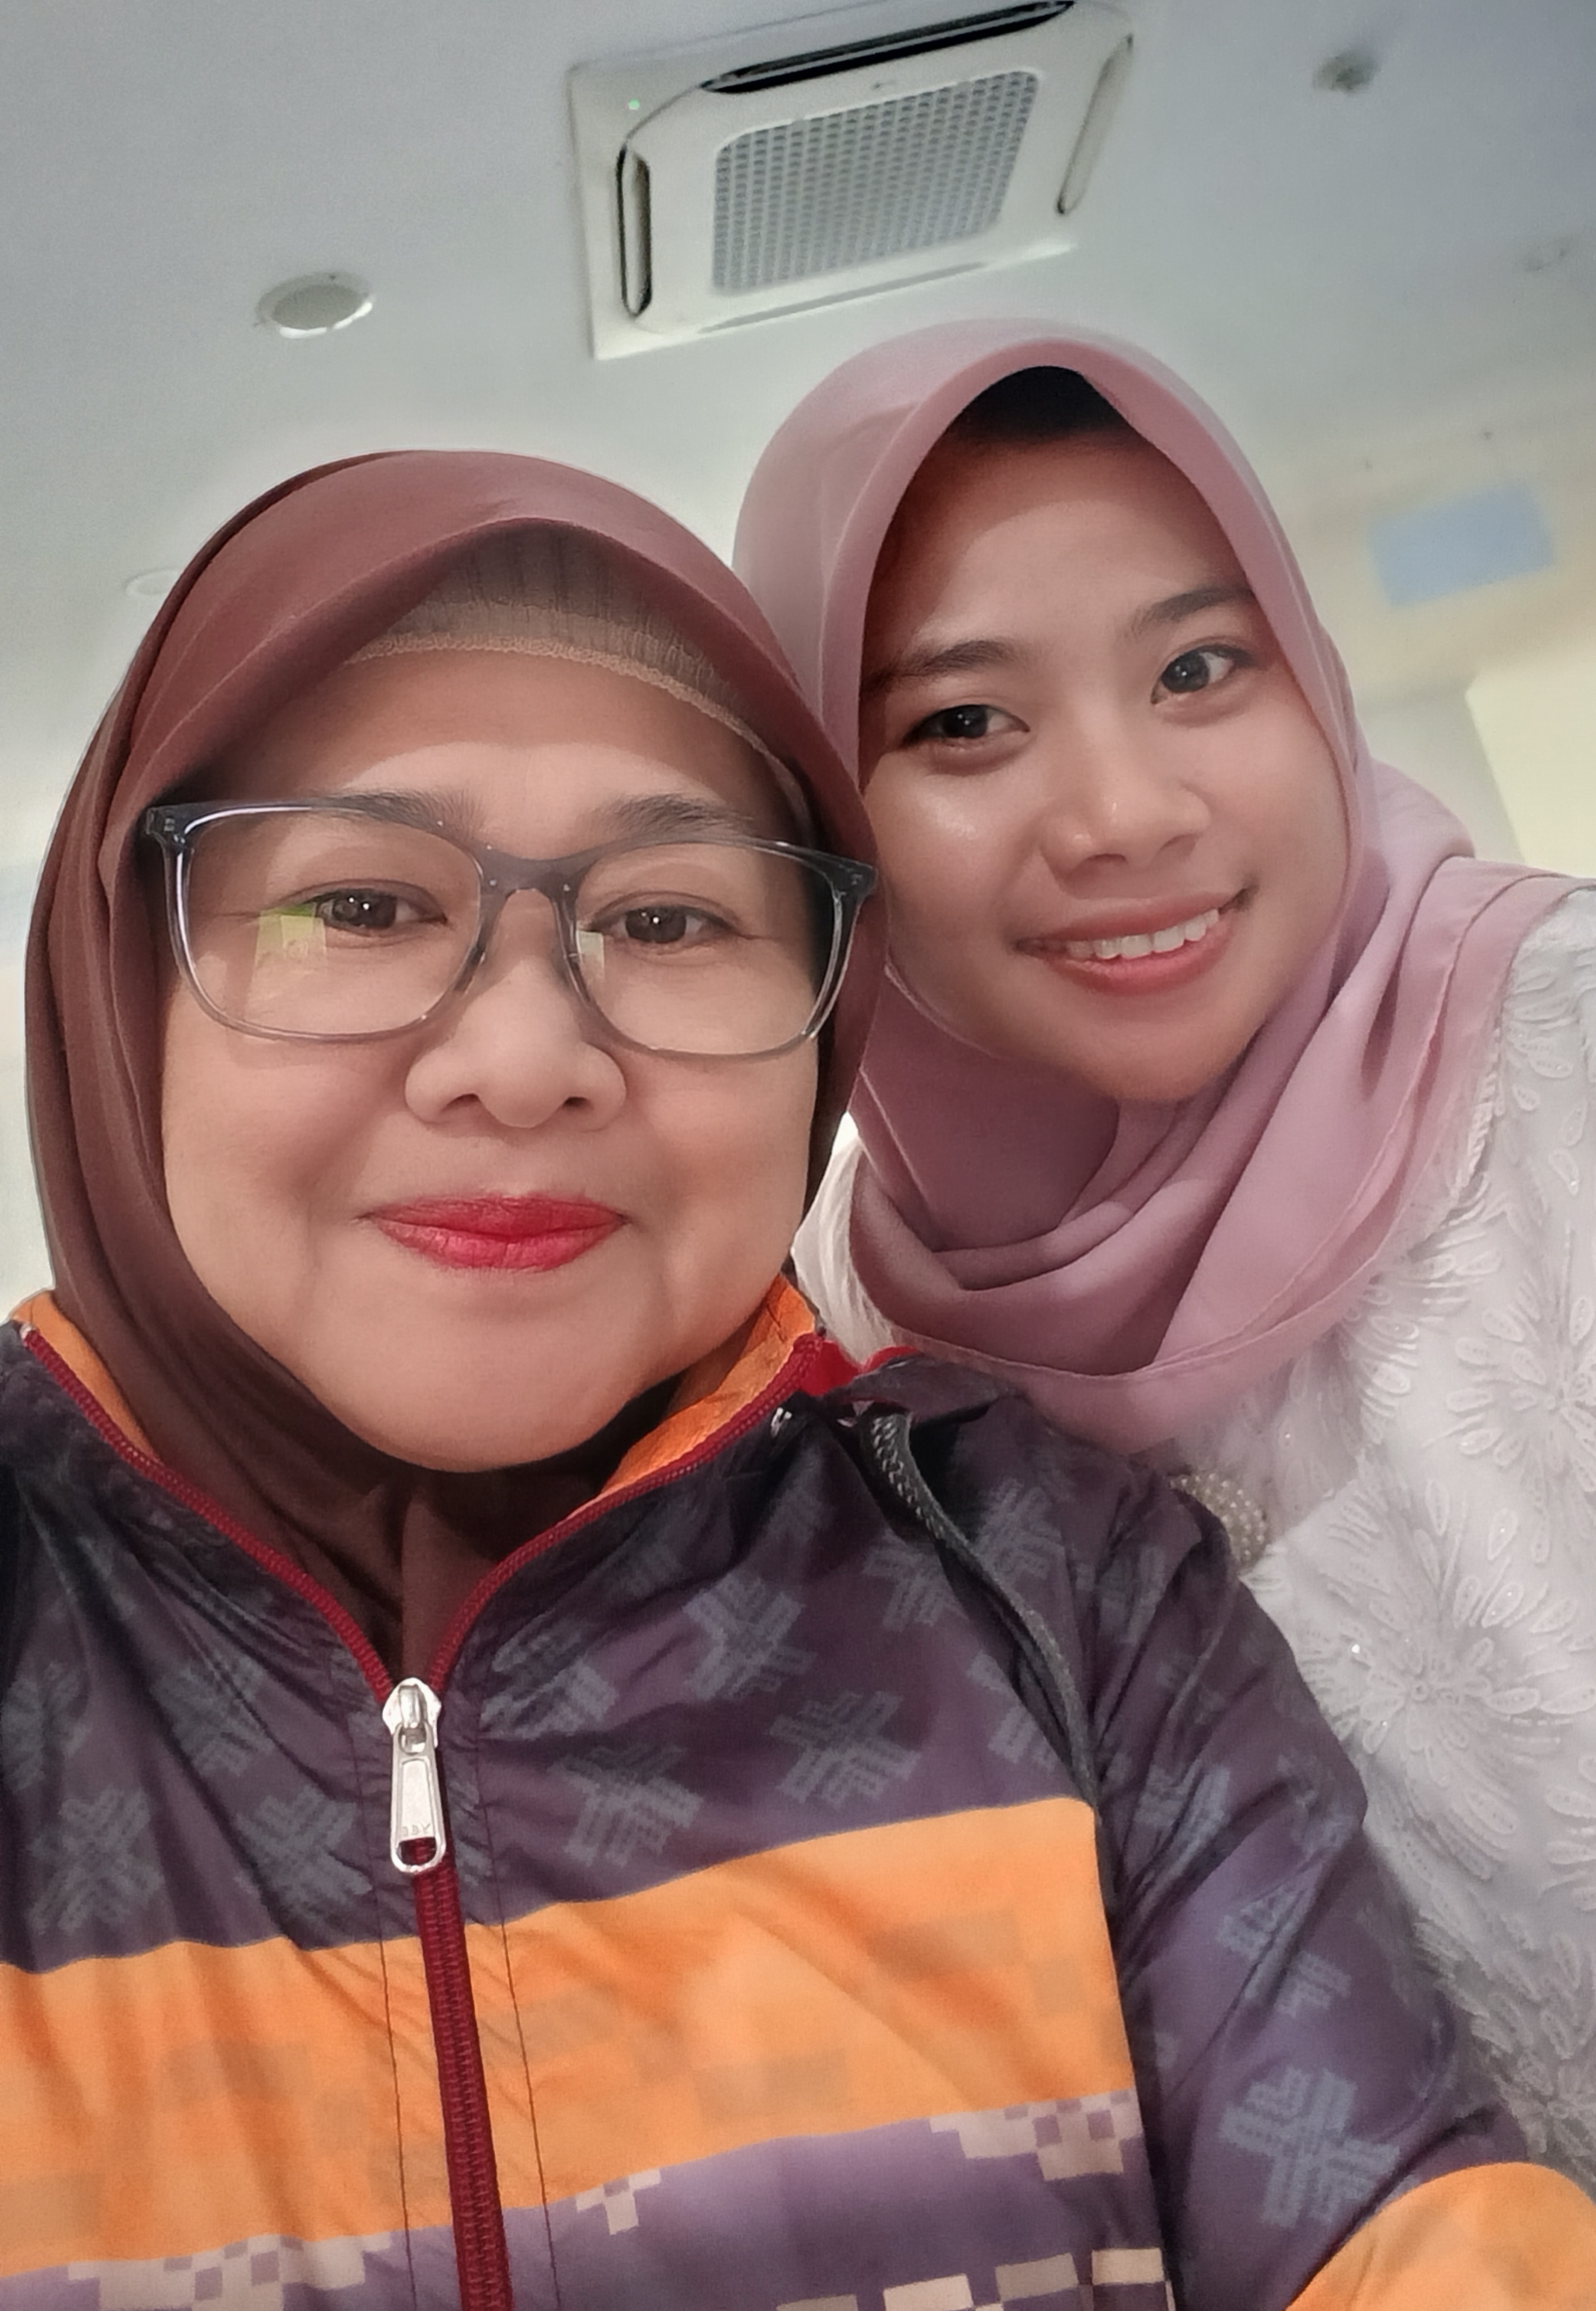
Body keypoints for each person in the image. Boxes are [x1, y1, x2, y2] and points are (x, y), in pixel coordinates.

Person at [3, 447, 1593, 2311]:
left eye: (670, 919)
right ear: (122, 983)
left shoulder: (1049, 1579)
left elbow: (1398, 2229)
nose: (523, 1058)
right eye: (363, 905)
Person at [734, 321, 1596, 2193]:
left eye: (1198, 668)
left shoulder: (1563, 1060)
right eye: (962, 724)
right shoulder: (834, 1354)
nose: (1124, 815)